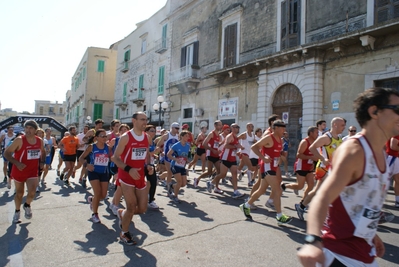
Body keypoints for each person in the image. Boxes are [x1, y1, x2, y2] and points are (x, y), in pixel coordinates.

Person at [297, 87, 399, 266]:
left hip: (364, 254)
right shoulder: (354, 150)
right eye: (396, 109)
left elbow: (359, 201)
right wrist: (312, 240)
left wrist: (370, 234)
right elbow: (323, 197)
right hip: (340, 256)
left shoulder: (381, 153)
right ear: (374, 112)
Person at [111, 112, 153, 246]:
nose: (145, 122)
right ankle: (124, 233)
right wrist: (129, 169)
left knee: (141, 209)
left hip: (140, 175)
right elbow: (115, 158)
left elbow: (147, 155)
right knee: (131, 206)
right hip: (126, 175)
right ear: (133, 121)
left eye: (146, 120)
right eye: (142, 120)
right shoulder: (125, 137)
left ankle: (121, 213)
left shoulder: (147, 137)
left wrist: (149, 165)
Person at [240, 120, 292, 225]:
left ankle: (246, 205)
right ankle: (279, 216)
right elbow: (254, 147)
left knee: (261, 190)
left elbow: (276, 153)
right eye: (282, 128)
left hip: (273, 167)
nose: (284, 130)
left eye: (284, 128)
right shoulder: (269, 137)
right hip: (267, 167)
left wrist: (281, 158)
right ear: (275, 128)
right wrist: (263, 157)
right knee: (277, 190)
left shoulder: (280, 140)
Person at [295, 117, 345, 220]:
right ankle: (327, 217)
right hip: (324, 169)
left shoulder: (340, 137)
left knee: (317, 191)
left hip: (333, 169)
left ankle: (301, 206)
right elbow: (312, 148)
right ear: (335, 125)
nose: (344, 127)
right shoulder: (326, 137)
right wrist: (322, 158)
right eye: (342, 125)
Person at [5, 120, 45, 223]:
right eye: (26, 128)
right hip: (19, 170)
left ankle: (27, 205)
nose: (28, 130)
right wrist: (17, 163)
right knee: (19, 193)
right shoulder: (19, 140)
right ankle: (17, 212)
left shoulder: (39, 140)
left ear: (35, 130)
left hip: (32, 171)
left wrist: (42, 162)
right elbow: (6, 153)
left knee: (32, 192)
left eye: (31, 128)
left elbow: (43, 152)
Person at [79, 129, 111, 223]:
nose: (104, 138)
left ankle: (92, 200)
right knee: (97, 193)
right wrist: (87, 165)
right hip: (93, 172)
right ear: (96, 138)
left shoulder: (108, 147)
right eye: (102, 136)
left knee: (103, 195)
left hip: (104, 172)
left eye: (105, 136)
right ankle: (95, 214)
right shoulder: (91, 147)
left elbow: (111, 158)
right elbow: (81, 158)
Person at [282, 126, 318, 202]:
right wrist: (311, 157)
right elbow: (299, 155)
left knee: (311, 185)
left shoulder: (316, 142)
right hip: (301, 166)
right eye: (316, 132)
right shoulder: (305, 142)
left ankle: (303, 202)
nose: (318, 134)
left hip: (310, 167)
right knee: (300, 186)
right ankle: (284, 186)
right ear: (311, 133)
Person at [208, 124, 245, 198]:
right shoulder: (229, 136)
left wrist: (239, 151)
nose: (238, 129)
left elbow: (235, 147)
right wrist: (235, 146)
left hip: (232, 158)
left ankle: (235, 192)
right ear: (232, 128)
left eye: (238, 127)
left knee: (234, 174)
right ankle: (211, 183)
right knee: (222, 175)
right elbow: (225, 146)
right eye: (236, 127)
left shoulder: (236, 138)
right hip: (225, 158)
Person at [109, 124, 130, 216]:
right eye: (122, 130)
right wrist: (111, 157)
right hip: (115, 165)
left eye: (126, 129)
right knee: (120, 184)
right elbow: (108, 148)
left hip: (125, 165)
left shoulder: (129, 141)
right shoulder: (115, 140)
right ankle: (115, 204)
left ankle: (113, 203)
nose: (124, 131)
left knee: (120, 185)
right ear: (119, 131)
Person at [194, 120, 222, 187]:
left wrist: (219, 149)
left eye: (221, 125)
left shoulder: (219, 135)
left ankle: (216, 187)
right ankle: (197, 179)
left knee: (219, 171)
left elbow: (217, 144)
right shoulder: (211, 134)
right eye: (219, 125)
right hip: (210, 154)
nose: (220, 126)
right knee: (209, 172)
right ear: (215, 126)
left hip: (216, 155)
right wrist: (212, 150)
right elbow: (204, 143)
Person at [167, 130, 191, 203]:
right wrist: (175, 159)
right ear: (181, 136)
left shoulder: (187, 145)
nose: (188, 137)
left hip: (182, 166)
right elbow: (168, 154)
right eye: (186, 136)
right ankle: (175, 196)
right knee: (179, 182)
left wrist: (187, 160)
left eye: (188, 136)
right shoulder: (176, 145)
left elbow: (186, 155)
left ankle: (172, 186)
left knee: (183, 184)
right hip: (175, 165)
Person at [156, 122, 179, 196]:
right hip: (166, 156)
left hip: (174, 157)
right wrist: (161, 152)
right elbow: (158, 145)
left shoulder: (178, 136)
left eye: (178, 128)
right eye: (176, 128)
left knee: (171, 172)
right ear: (172, 128)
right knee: (170, 172)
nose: (177, 130)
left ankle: (159, 177)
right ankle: (169, 189)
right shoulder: (166, 136)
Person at [145, 125, 160, 209]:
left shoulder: (153, 142)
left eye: (154, 131)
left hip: (150, 164)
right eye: (151, 130)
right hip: (142, 165)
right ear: (146, 132)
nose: (153, 132)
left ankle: (151, 200)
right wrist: (155, 151)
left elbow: (150, 154)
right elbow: (146, 154)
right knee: (141, 183)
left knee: (153, 182)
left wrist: (155, 155)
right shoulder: (144, 141)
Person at [386, 136, 399, 208]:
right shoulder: (396, 133)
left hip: (396, 158)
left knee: (397, 180)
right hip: (391, 157)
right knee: (384, 180)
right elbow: (393, 146)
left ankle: (397, 200)